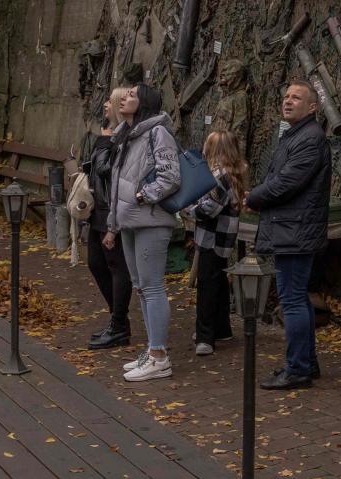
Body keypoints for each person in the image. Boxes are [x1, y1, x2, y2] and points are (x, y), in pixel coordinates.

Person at [245, 80, 331, 391]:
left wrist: (254, 197)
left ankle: (297, 369)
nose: (288, 101)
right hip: (290, 228)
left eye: (296, 97)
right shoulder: (296, 135)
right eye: (286, 96)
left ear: (312, 107)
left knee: (292, 300)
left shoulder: (309, 139)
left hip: (294, 232)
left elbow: (286, 183)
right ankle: (306, 362)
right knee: (298, 298)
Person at [106, 83, 180, 381]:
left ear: (145, 102)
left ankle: (159, 356)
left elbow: (170, 175)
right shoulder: (128, 134)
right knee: (140, 286)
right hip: (129, 221)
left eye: (133, 95)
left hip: (150, 220)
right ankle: (152, 350)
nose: (124, 97)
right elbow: (116, 183)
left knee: (152, 287)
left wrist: (143, 196)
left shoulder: (156, 132)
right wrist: (114, 223)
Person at [186, 130, 246, 355]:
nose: (203, 148)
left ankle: (205, 336)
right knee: (217, 280)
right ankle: (221, 328)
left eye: (207, 144)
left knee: (207, 284)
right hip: (222, 237)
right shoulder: (233, 173)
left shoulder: (219, 175)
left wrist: (187, 210)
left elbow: (209, 208)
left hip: (213, 237)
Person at [81, 87, 132, 350]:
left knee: (116, 266)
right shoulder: (108, 134)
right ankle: (117, 319)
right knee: (95, 263)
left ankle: (119, 325)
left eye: (108, 102)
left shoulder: (119, 138)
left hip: (111, 210)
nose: (104, 106)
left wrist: (103, 142)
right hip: (96, 208)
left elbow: (105, 169)